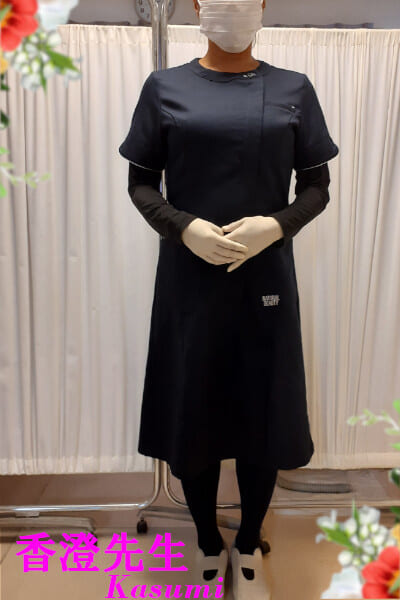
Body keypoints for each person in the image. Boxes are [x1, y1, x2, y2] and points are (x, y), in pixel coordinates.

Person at [119, 1, 339, 597]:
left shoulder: (293, 89)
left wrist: (277, 225)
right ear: (197, 6)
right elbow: (141, 182)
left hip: (265, 279)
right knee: (194, 408)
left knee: (261, 412)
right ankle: (207, 542)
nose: (234, 6)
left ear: (263, 7)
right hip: (189, 281)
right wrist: (183, 226)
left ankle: (247, 546)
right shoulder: (164, 88)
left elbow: (317, 186)